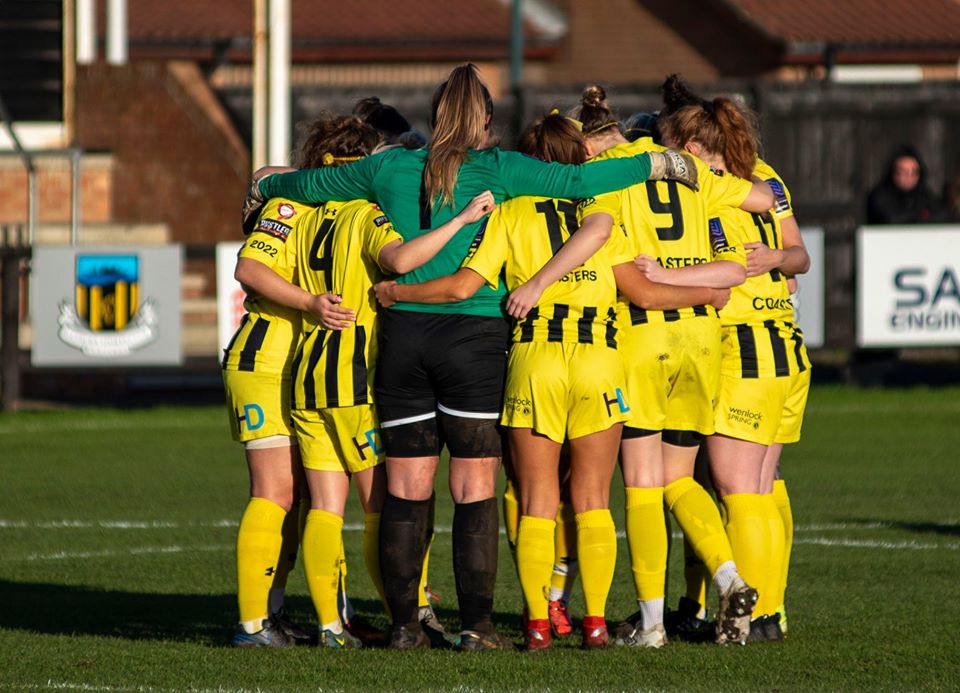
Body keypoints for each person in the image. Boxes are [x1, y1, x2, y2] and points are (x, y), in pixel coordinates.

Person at [243, 63, 701, 651]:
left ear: (434, 119)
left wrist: (264, 183)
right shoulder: (497, 169)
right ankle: (477, 625)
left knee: (407, 486)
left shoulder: (388, 166)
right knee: (475, 484)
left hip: (404, 339)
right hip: (474, 341)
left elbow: (308, 187)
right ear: (485, 121)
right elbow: (582, 186)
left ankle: (407, 626)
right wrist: (662, 162)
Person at [374, 111, 733, 651]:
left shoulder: (511, 214)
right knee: (592, 499)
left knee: (536, 498)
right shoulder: (600, 213)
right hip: (598, 359)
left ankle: (538, 623)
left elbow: (462, 285)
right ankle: (593, 623)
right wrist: (707, 293)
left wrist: (398, 294)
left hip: (536, 358)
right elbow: (641, 289)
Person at [572, 84, 773, 647]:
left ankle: (654, 625)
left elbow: (632, 285)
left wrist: (660, 277)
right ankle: (729, 575)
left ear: (588, 143)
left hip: (643, 344)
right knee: (680, 479)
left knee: (640, 486)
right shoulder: (686, 168)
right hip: (704, 342)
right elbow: (762, 199)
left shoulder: (603, 177)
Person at [655, 74, 811, 642]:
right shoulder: (765, 177)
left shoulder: (703, 188)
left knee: (739, 490)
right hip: (784, 344)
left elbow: (754, 268)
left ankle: (756, 617)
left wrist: (660, 277)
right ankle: (773, 614)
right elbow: (799, 261)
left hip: (743, 343)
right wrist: (777, 257)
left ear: (693, 149)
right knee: (764, 488)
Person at [866, 145, 946, 224]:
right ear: (893, 173)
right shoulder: (879, 197)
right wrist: (920, 217)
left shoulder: (925, 195)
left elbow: (941, 215)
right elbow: (890, 219)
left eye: (913, 172)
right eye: (902, 172)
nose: (908, 177)